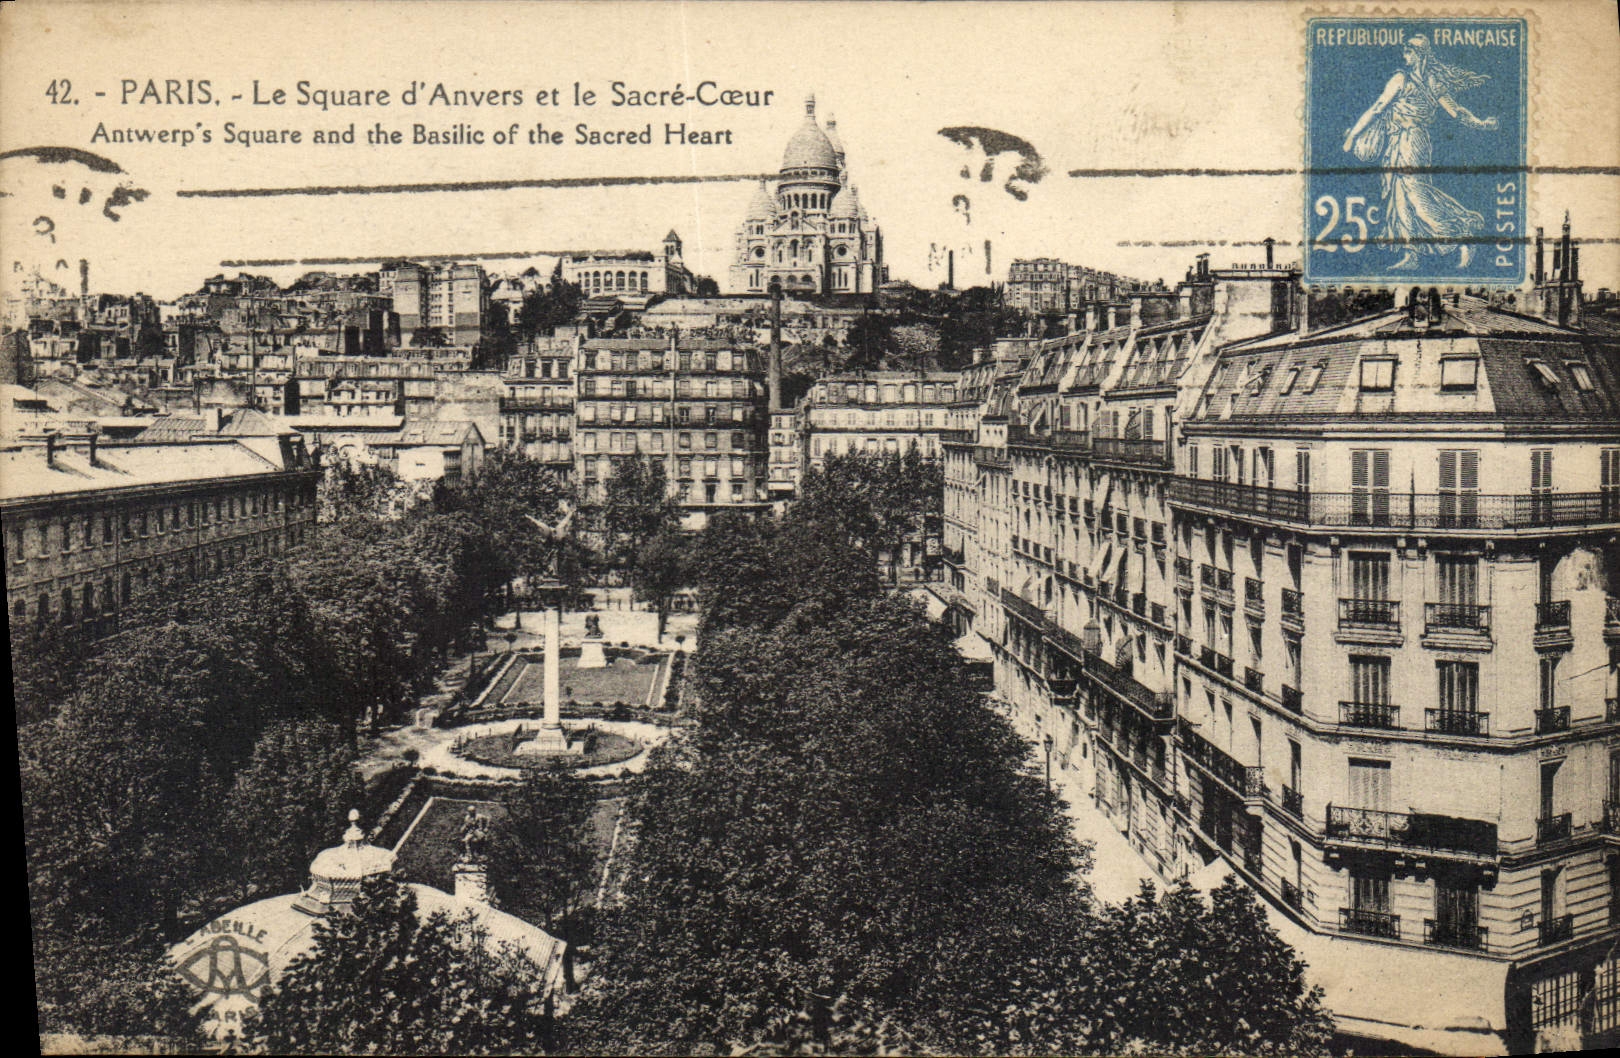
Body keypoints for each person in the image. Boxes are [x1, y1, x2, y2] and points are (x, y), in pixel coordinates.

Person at [1341, 34, 1499, 270]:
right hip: (1397, 142)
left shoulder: (1411, 80)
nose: (1404, 55)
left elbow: (1378, 108)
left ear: (1419, 54)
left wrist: (1353, 135)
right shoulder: (1417, 79)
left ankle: (1461, 233)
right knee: (1400, 197)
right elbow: (1379, 108)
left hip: (1412, 141)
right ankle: (1411, 254)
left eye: (1408, 51)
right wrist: (1481, 123)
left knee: (1416, 194)